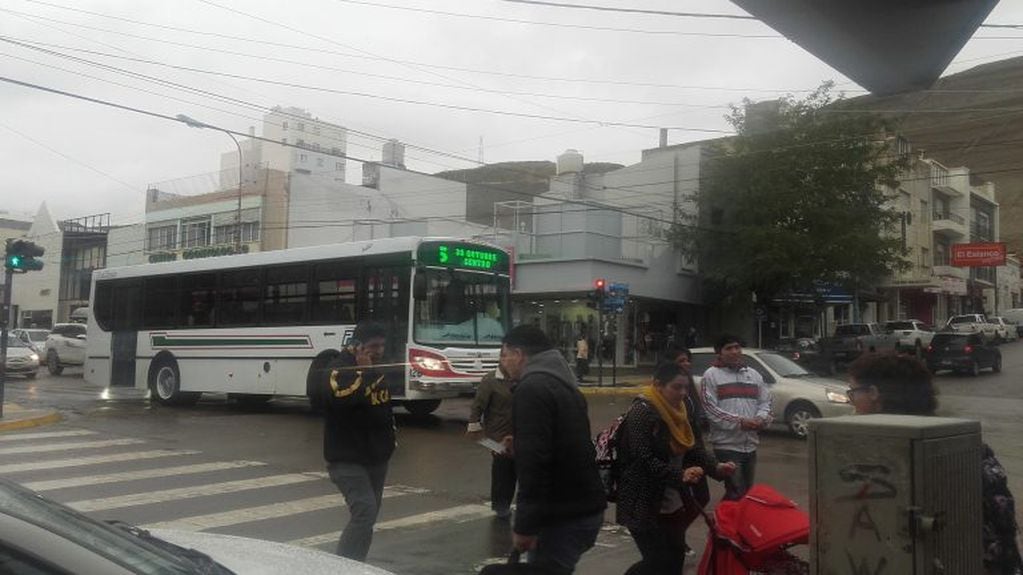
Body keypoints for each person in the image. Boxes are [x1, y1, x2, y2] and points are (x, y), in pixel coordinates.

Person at [847, 353, 1023, 575]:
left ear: (873, 394)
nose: (851, 401)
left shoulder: (887, 458)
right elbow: (1003, 518)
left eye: (853, 392)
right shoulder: (961, 443)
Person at [500, 325, 607, 574]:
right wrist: (522, 444)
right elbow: (564, 445)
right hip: (585, 509)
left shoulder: (532, 388)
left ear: (518, 354)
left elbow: (534, 465)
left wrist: (525, 526)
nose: (503, 362)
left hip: (562, 515)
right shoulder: (563, 383)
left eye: (504, 355)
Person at [616, 362, 735, 575]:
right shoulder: (641, 413)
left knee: (675, 558)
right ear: (658, 385)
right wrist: (679, 474)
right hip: (644, 502)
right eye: (676, 387)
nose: (682, 393)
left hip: (673, 503)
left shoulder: (680, 410)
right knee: (656, 562)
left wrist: (716, 467)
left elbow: (691, 448)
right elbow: (642, 460)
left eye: (686, 388)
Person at [322, 321, 395, 561]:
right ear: (356, 345)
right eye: (374, 346)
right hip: (347, 457)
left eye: (382, 345)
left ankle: (357, 562)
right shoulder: (338, 368)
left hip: (376, 456)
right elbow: (341, 401)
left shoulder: (377, 367)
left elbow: (383, 405)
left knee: (369, 517)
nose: (379, 351)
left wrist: (390, 440)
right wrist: (363, 372)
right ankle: (344, 565)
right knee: (364, 511)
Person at [701, 334, 772, 501]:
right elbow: (711, 409)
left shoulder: (754, 375)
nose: (734, 351)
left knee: (747, 492)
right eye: (729, 348)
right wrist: (740, 422)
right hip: (727, 446)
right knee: (735, 491)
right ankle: (723, 524)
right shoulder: (711, 375)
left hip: (750, 446)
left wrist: (761, 420)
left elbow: (766, 402)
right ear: (719, 352)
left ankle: (736, 524)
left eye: (737, 347)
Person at [467, 368, 516, 519]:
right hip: (497, 434)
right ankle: (501, 506)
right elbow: (478, 405)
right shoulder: (490, 380)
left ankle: (506, 502)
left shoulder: (522, 376)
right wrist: (474, 426)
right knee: (502, 467)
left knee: (516, 467)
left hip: (517, 431)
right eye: (505, 356)